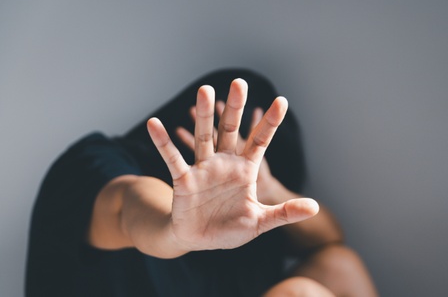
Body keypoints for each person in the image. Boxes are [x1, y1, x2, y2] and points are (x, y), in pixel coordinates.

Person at [26, 69, 378, 296]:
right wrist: (174, 231)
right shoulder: (97, 164)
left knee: (340, 266)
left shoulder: (245, 226)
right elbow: (126, 208)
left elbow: (331, 240)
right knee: (301, 294)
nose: (229, 160)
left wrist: (270, 189)